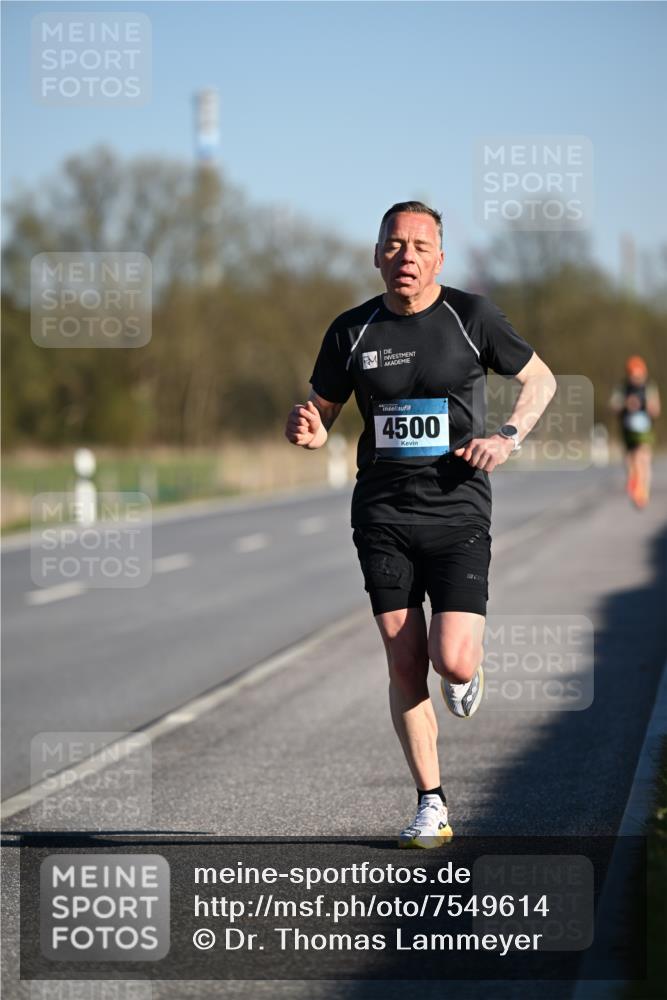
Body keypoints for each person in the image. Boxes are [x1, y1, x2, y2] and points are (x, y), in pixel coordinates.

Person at [285, 201, 557, 848]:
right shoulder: (351, 330)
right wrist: (309, 430)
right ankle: (430, 803)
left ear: (439, 256)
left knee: (451, 661)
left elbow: (540, 380)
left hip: (458, 506)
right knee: (404, 662)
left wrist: (507, 437)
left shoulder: (471, 318)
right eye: (394, 244)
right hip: (381, 512)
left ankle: (466, 674)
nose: (406, 256)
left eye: (419, 245)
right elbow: (322, 413)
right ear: (376, 253)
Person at [609, 356, 661, 509]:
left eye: (639, 376)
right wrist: (626, 404)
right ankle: (634, 481)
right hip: (627, 428)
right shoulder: (623, 388)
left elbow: (656, 409)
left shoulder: (649, 387)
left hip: (644, 428)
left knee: (643, 456)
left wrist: (645, 405)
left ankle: (642, 490)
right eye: (633, 376)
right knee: (630, 458)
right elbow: (613, 406)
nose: (636, 379)